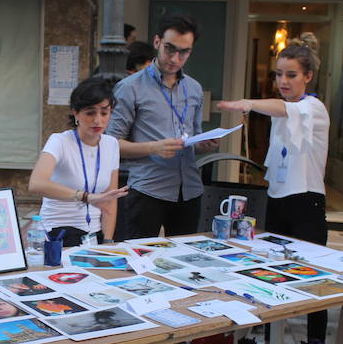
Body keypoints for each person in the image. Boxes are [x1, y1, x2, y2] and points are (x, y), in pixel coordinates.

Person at [217, 32, 329, 344]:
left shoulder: (313, 107)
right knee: (270, 275)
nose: (283, 81)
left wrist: (249, 103)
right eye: (278, 74)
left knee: (313, 282)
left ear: (308, 76)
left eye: (291, 75)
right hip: (277, 199)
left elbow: (282, 109)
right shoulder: (284, 109)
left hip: (306, 202)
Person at [107, 14, 219, 241]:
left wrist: (204, 144)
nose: (175, 58)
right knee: (140, 255)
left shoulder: (194, 88)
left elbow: (194, 139)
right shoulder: (130, 87)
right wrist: (154, 148)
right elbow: (110, 144)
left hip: (189, 190)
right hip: (148, 189)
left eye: (184, 52)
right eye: (170, 49)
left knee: (186, 256)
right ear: (157, 42)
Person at [29, 77, 129, 247]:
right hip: (58, 231)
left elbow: (110, 200)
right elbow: (36, 183)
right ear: (75, 113)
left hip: (94, 234)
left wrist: (107, 242)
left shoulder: (111, 144)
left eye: (104, 113)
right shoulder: (59, 141)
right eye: (90, 113)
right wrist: (85, 196)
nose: (98, 120)